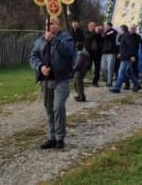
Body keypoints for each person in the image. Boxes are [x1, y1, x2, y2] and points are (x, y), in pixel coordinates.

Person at [29, 16, 75, 149]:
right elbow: (33, 56)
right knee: (48, 108)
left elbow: (69, 52)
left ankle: (60, 137)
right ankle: (51, 137)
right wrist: (40, 67)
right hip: (46, 79)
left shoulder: (66, 37)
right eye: (46, 24)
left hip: (61, 79)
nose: (47, 26)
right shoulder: (40, 41)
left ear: (57, 25)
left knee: (58, 106)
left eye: (50, 23)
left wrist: (53, 40)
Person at [110, 25, 142, 93]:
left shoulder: (129, 36)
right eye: (131, 28)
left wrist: (132, 55)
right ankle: (137, 85)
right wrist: (120, 53)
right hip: (125, 56)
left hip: (127, 57)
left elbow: (131, 47)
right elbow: (123, 46)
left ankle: (117, 88)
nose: (132, 29)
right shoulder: (126, 35)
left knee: (121, 72)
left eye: (133, 28)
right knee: (129, 73)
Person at [84, 22, 102, 87]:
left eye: (95, 26)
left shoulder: (97, 33)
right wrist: (94, 32)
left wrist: (99, 32)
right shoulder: (86, 33)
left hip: (97, 53)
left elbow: (101, 38)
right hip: (89, 53)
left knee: (97, 68)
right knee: (87, 66)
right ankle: (81, 78)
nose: (94, 27)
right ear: (90, 27)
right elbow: (88, 38)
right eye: (93, 26)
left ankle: (95, 82)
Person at [100, 22, 117, 87]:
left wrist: (104, 31)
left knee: (110, 67)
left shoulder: (113, 31)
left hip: (111, 52)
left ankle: (109, 82)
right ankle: (108, 79)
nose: (105, 27)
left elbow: (106, 35)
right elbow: (102, 36)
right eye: (105, 26)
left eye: (106, 26)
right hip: (104, 52)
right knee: (103, 67)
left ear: (110, 26)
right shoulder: (104, 32)